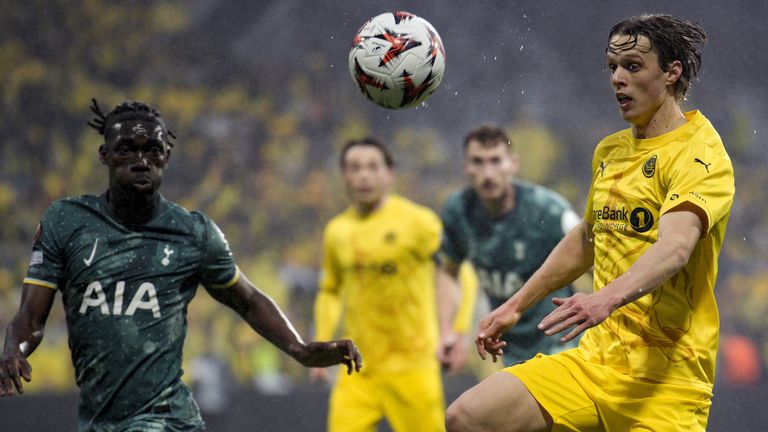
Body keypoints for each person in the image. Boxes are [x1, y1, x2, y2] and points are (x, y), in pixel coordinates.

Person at [446, 14, 735, 432]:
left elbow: (675, 248)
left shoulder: (700, 153)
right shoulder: (610, 151)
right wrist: (514, 306)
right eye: (613, 67)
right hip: (594, 363)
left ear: (672, 72)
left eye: (632, 66)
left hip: (666, 382)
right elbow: (586, 238)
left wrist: (604, 300)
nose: (617, 78)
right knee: (468, 417)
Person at [0, 99, 362, 431]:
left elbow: (248, 300)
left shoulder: (193, 232)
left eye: (152, 150)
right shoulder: (66, 221)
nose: (141, 160)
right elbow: (31, 317)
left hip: (167, 421)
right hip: (100, 422)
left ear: (166, 157)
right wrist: (15, 349)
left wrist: (300, 350)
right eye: (126, 149)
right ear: (104, 154)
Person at [310, 137, 450, 432]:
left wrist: (455, 330)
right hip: (357, 368)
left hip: (412, 365)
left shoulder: (418, 222)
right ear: (343, 175)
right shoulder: (337, 231)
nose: (364, 176)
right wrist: (322, 342)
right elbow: (330, 290)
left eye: (373, 167)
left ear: (390, 174)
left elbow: (456, 270)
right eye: (355, 168)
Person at [436, 124, 582, 374]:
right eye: (478, 162)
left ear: (513, 164)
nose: (488, 173)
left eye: (496, 161)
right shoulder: (458, 211)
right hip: (507, 349)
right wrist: (448, 331)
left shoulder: (548, 210)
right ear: (466, 167)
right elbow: (449, 270)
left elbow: (593, 257)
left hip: (561, 344)